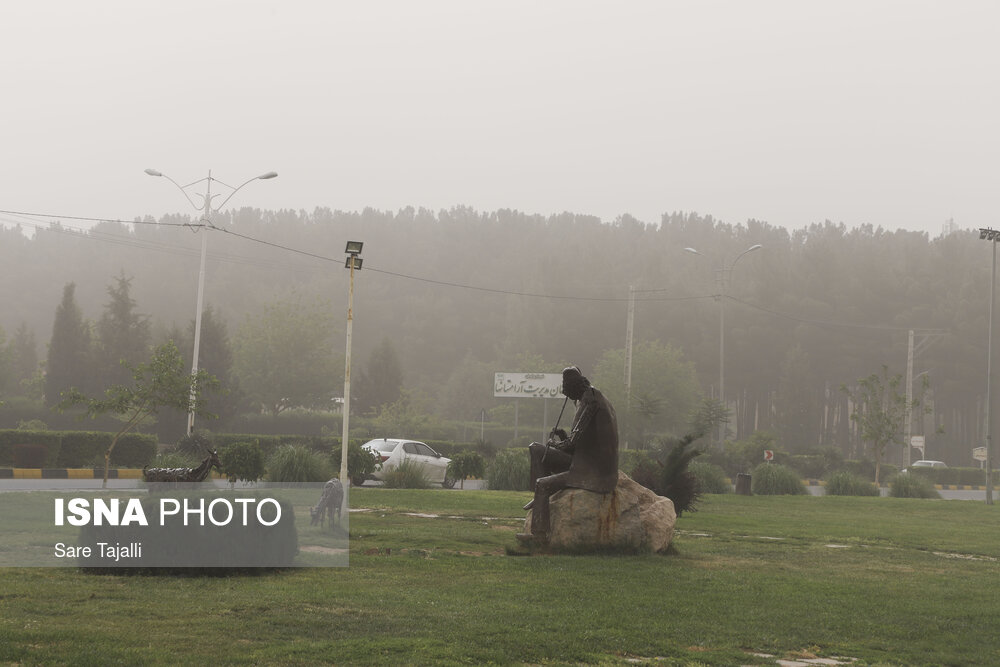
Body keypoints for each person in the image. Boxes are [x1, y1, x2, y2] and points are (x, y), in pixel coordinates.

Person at [519, 366, 619, 543]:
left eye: (568, 391)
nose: (568, 396)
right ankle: (539, 499)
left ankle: (539, 536)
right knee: (535, 448)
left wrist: (555, 443)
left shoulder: (591, 402)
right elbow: (578, 441)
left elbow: (573, 443)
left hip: (593, 470)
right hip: (583, 459)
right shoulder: (589, 397)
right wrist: (564, 436)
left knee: (542, 484)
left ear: (574, 387)